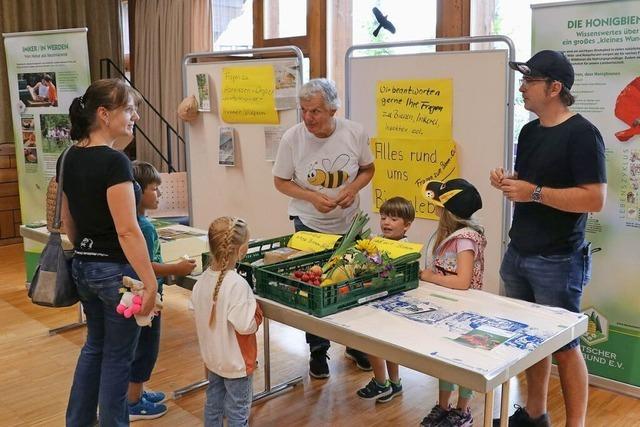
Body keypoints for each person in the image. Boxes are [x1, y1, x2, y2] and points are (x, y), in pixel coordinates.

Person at [490, 50, 606, 427]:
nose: (521, 88)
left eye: (529, 81)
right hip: (519, 251)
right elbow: (531, 185)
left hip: (558, 260)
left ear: (555, 88)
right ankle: (535, 415)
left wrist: (533, 192)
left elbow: (594, 198)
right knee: (529, 341)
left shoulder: (584, 134)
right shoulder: (529, 131)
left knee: (565, 348)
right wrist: (510, 183)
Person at [60, 79, 158, 427]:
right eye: (129, 109)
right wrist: (150, 283)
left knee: (94, 348)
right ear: (104, 114)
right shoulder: (114, 163)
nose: (136, 116)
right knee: (118, 359)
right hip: (116, 273)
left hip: (84, 267)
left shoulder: (69, 156)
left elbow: (69, 223)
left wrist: (123, 135)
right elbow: (127, 230)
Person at [272, 78, 375, 379]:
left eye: (315, 111)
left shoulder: (354, 133)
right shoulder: (293, 138)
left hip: (349, 222)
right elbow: (280, 181)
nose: (308, 118)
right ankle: (318, 351)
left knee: (352, 283)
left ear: (333, 109)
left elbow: (368, 169)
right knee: (313, 286)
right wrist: (312, 197)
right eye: (304, 110)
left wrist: (352, 189)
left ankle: (355, 345)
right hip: (308, 223)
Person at [127, 161, 196, 421]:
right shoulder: (142, 227)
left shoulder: (138, 222)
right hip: (146, 297)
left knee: (141, 346)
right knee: (145, 349)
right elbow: (144, 265)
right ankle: (133, 403)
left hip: (139, 295)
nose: (159, 194)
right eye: (155, 189)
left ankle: (137, 392)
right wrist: (176, 268)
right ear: (137, 191)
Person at [419, 178, 486, 427]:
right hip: (447, 308)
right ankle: (443, 406)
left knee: (463, 363)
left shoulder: (464, 240)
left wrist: (430, 277)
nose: (435, 209)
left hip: (464, 313)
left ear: (447, 211)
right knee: (445, 361)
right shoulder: (451, 235)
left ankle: (462, 410)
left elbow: (463, 281)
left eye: (438, 205)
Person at [191, 217, 263, 427]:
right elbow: (245, 325)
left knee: (213, 404)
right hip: (236, 363)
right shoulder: (238, 285)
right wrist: (257, 314)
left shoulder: (202, 280)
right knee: (238, 411)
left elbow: (195, 308)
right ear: (242, 250)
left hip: (213, 359)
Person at [356, 196, 414, 403]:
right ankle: (395, 383)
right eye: (383, 217)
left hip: (389, 303)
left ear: (407, 226)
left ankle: (381, 383)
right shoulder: (377, 242)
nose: (386, 222)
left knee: (373, 342)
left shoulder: (404, 248)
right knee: (388, 345)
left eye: (393, 219)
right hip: (380, 301)